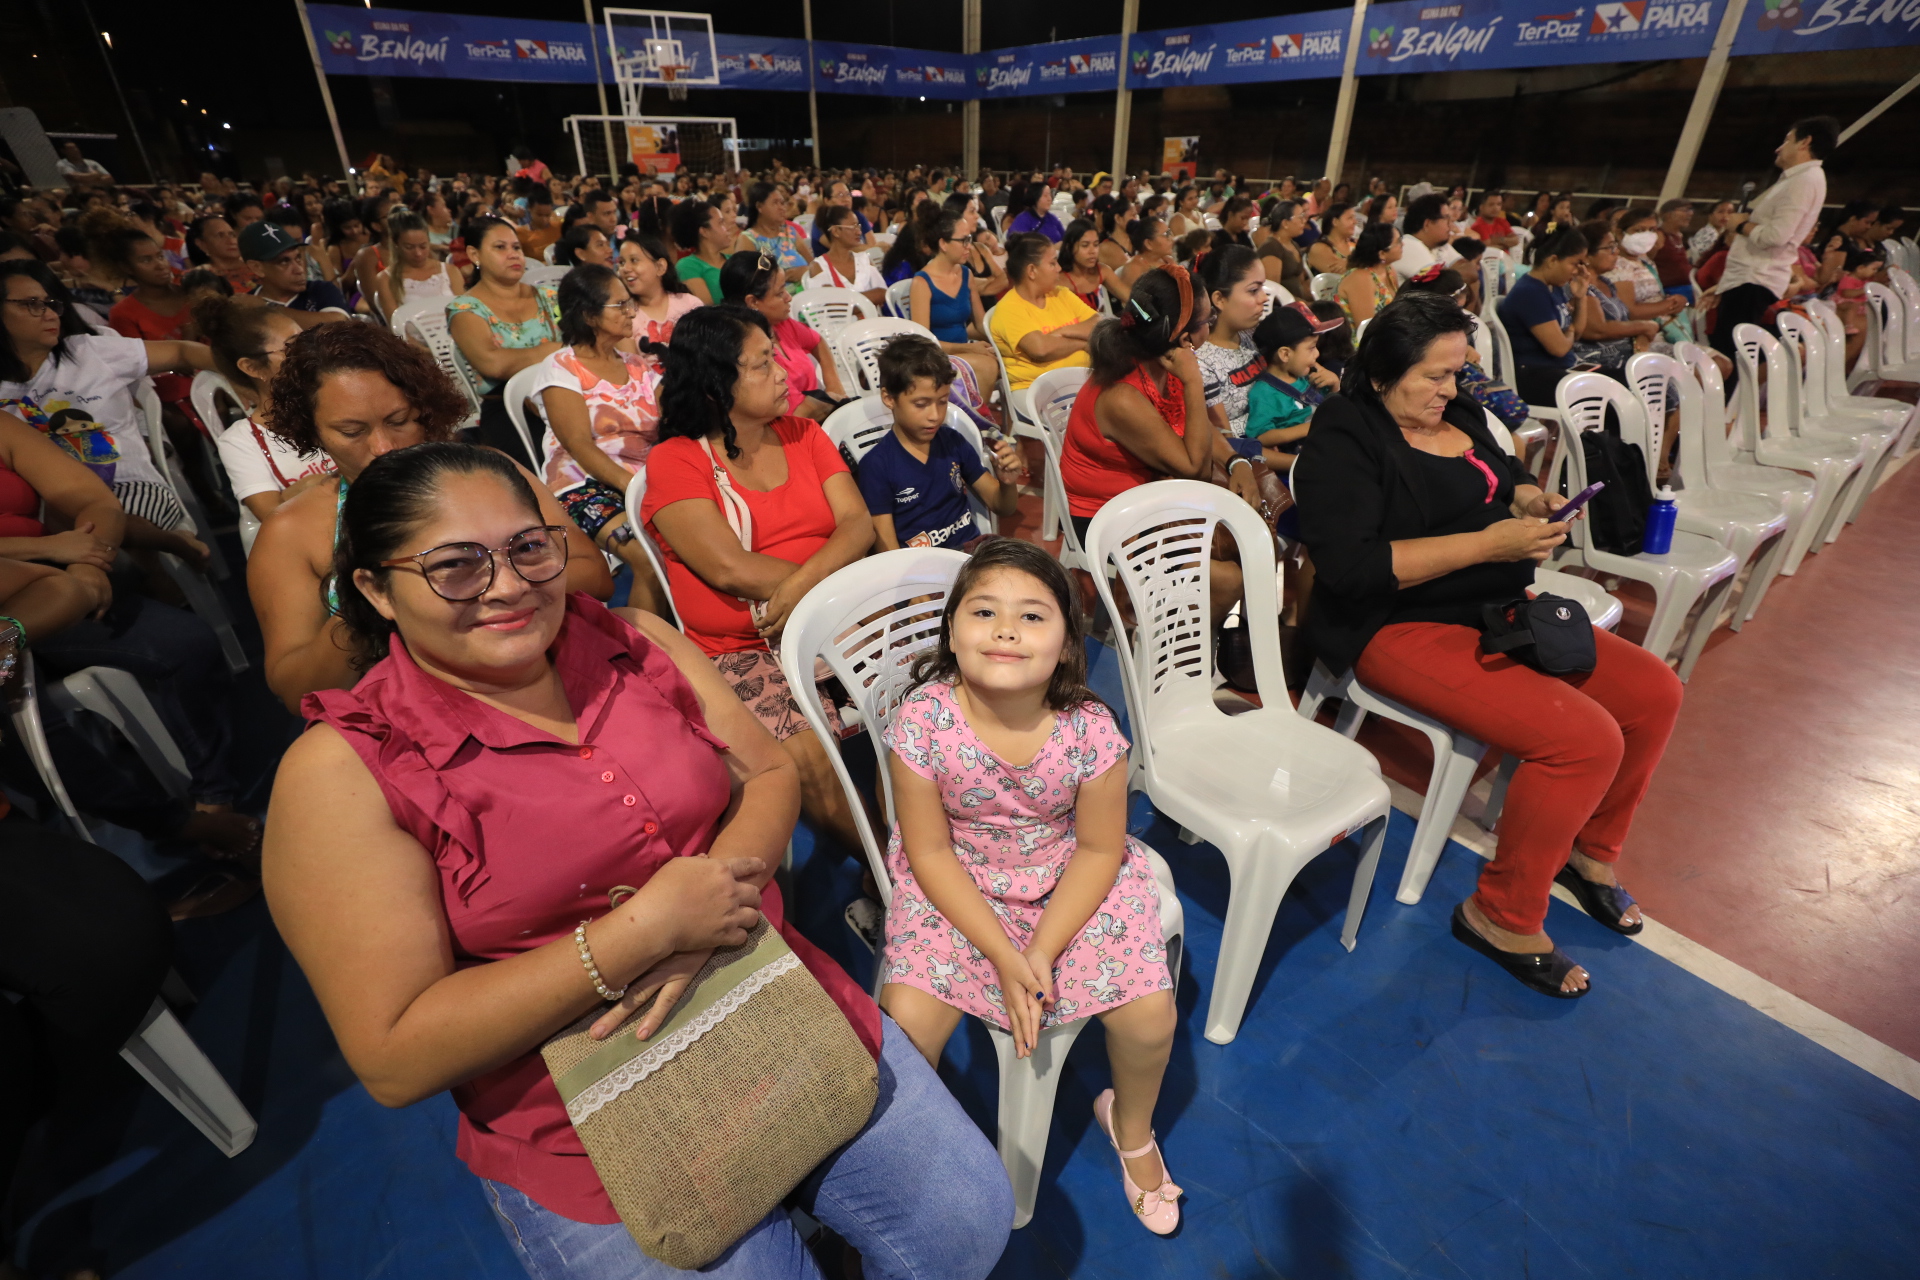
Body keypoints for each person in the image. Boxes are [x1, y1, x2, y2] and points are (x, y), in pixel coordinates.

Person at [267, 441, 1012, 1280]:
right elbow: (394, 1053)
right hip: (589, 1120)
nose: (508, 586)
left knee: (965, 1224)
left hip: (768, 997)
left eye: (527, 548)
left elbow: (767, 771)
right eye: (455, 567)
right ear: (375, 589)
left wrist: (707, 914)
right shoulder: (343, 773)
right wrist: (639, 936)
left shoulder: (633, 640)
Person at [1293, 290, 1684, 998]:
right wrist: (1486, 543)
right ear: (1383, 373)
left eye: (1458, 372)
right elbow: (1353, 568)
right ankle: (1499, 914)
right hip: (1396, 623)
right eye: (1436, 376)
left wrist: (1528, 501)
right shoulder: (1345, 435)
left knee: (1655, 693)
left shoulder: (1459, 413)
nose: (1453, 389)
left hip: (1492, 604)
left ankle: (1590, 855)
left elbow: (1502, 482)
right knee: (1582, 740)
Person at [877, 537, 1182, 1234]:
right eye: (984, 611)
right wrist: (1004, 955)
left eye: (1033, 616)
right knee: (906, 1026)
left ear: (1069, 645)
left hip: (1068, 875)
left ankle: (1131, 1128)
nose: (1007, 628)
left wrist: (1039, 950)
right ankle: (909, 1156)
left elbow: (1102, 847)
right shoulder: (922, 722)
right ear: (952, 633)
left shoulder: (1091, 731)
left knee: (1148, 1015)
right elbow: (927, 851)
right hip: (955, 880)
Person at [249, 322, 608, 712]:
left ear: (424, 408)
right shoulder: (292, 531)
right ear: (313, 431)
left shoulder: (488, 476)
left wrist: (504, 580)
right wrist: (366, 603)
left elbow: (593, 572)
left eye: (399, 421)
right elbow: (296, 690)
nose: (383, 447)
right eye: (351, 431)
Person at [639, 304, 875, 854]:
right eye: (763, 363)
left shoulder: (804, 434)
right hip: (742, 646)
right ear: (717, 384)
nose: (783, 373)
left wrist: (800, 593)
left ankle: (915, 847)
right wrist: (818, 587)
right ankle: (884, 867)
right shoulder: (677, 461)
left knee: (915, 714)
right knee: (807, 763)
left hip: (831, 617)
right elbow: (729, 567)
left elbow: (857, 524)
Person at [0, 408, 253, 855]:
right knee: (20, 722)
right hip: (34, 577)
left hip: (49, 586)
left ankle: (214, 796)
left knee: (186, 643)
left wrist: (85, 564)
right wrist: (47, 547)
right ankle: (169, 824)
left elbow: (91, 498)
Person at [1057, 265, 1260, 620]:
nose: (1209, 327)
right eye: (1204, 320)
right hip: (1105, 516)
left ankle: (1189, 628)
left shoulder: (1160, 360)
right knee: (1228, 579)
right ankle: (1177, 651)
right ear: (1182, 336)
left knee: (1250, 541)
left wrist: (1234, 462)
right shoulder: (1122, 396)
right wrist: (1194, 383)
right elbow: (1194, 467)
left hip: (1150, 492)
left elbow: (1190, 426)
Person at [0, 259, 215, 535]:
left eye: (52, 304)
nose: (50, 314)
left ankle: (170, 553)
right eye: (32, 304)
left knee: (96, 530)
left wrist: (248, 374)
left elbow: (183, 351)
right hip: (49, 504)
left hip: (126, 483)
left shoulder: (87, 351)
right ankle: (173, 550)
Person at [529, 264, 667, 614]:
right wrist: (635, 487)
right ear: (589, 315)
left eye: (630, 303)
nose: (631, 313)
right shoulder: (561, 368)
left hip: (645, 480)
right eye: (620, 305)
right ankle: (642, 658)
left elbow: (674, 420)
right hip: (583, 485)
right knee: (650, 559)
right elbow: (580, 446)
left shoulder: (638, 365)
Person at [857, 335, 1022, 551]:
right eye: (921, 404)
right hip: (919, 571)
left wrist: (1007, 483)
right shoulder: (877, 466)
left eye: (943, 402)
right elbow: (888, 550)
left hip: (970, 554)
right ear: (889, 399)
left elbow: (1002, 506)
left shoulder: (953, 441)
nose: (935, 415)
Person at [1711, 116, 1836, 369]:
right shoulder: (1799, 178)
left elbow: (1776, 236)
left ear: (1805, 142)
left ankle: (1722, 407)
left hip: (1754, 277)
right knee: (1730, 350)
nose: (1779, 148)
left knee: (1729, 355)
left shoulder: (1805, 180)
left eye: (1787, 140)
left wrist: (1741, 225)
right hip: (1750, 276)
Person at [198, 296, 336, 521]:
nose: (309, 354)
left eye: (306, 342)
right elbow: (271, 515)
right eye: (291, 347)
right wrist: (329, 481)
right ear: (251, 367)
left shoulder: (338, 399)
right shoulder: (240, 442)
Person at [448, 216, 563, 468]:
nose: (513, 255)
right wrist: (554, 350)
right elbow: (493, 363)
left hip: (564, 393)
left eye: (516, 247)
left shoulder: (550, 298)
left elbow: (582, 342)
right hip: (507, 408)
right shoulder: (465, 309)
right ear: (474, 254)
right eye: (500, 247)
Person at [717, 254, 848, 420]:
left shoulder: (781, 323)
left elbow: (817, 342)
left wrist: (834, 386)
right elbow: (796, 414)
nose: (788, 297)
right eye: (780, 293)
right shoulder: (747, 348)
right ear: (753, 302)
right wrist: (829, 401)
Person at [988, 234, 1097, 393]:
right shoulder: (1009, 309)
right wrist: (1083, 343)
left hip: (1084, 382)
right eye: (1052, 263)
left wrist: (1061, 333)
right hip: (1038, 391)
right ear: (1032, 271)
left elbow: (1098, 323)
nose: (1059, 268)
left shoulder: (1061, 294)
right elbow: (1041, 349)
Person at [909, 212, 1001, 399]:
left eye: (970, 239)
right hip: (935, 356)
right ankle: (977, 420)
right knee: (988, 365)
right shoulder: (922, 282)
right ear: (943, 244)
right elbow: (924, 342)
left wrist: (1005, 340)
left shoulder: (966, 275)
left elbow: (981, 324)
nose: (969, 246)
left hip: (963, 351)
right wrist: (969, 348)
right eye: (964, 240)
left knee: (1009, 359)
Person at [1497, 225, 1589, 406]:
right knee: (1611, 397)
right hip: (1534, 376)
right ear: (1553, 260)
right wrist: (1569, 333)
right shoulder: (1530, 292)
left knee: (1621, 382)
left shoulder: (1554, 287)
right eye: (1574, 263)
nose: (1577, 271)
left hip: (1558, 370)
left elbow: (1577, 332)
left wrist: (1581, 297)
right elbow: (1560, 348)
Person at [1244, 301, 1342, 471]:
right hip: (1305, 462)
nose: (1317, 354)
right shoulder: (1264, 393)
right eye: (1311, 348)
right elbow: (1261, 437)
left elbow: (1333, 409)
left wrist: (1335, 385)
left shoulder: (1305, 376)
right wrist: (1309, 427)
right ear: (1285, 354)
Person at [1194, 245, 1270, 438]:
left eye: (1263, 287)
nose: (1264, 298)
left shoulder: (1255, 335)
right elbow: (1221, 439)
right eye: (1253, 290)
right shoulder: (1201, 363)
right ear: (1219, 299)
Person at [1572, 223, 1662, 377]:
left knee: (1672, 376)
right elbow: (1596, 330)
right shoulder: (1579, 285)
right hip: (1596, 362)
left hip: (1626, 355)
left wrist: (1642, 335)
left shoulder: (1606, 283)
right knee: (1663, 383)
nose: (1617, 252)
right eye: (1610, 248)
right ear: (1586, 255)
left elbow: (1624, 321)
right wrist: (1645, 325)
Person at [243, 221, 351, 328]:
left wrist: (266, 308)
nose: (299, 269)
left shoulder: (321, 289)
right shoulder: (243, 306)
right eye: (284, 261)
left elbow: (339, 324)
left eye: (298, 258)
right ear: (257, 268)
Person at [616, 233, 700, 355]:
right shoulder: (623, 314)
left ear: (660, 267)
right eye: (622, 262)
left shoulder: (690, 304)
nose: (625, 269)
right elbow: (631, 367)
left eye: (634, 260)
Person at [375, 209, 463, 319]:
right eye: (409, 247)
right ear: (396, 244)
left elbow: (463, 314)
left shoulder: (450, 271)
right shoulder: (386, 279)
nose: (418, 253)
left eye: (423, 246)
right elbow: (395, 326)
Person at [805, 204, 885, 307]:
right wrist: (868, 301)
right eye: (853, 227)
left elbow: (882, 293)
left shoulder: (864, 259)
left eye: (858, 226)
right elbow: (832, 307)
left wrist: (846, 302)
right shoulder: (819, 266)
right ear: (836, 231)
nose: (859, 232)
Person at [732, 183, 809, 288]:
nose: (782, 208)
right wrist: (785, 276)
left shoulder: (790, 232)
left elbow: (813, 265)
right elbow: (745, 280)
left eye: (782, 203)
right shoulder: (748, 239)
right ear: (759, 207)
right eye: (775, 203)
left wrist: (805, 271)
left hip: (806, 294)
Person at [1337, 223, 1402, 327]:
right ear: (1382, 254)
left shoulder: (1389, 270)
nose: (1402, 244)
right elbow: (1365, 327)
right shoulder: (1361, 278)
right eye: (1398, 242)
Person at [670, 199, 729, 306]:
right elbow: (707, 309)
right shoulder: (687, 266)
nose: (727, 227)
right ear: (704, 231)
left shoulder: (733, 259)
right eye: (721, 223)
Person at [187, 215, 257, 295]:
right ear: (202, 244)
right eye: (220, 235)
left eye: (232, 235)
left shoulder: (258, 267)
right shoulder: (197, 278)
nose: (231, 241)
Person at [1396, 193, 1452, 282]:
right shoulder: (1409, 245)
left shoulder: (1435, 246)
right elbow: (1442, 286)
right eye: (1446, 218)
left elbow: (1469, 271)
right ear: (1427, 224)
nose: (1450, 224)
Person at [1652, 199, 1696, 298]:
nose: (1691, 213)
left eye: (1691, 210)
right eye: (1685, 210)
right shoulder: (1658, 235)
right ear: (1668, 214)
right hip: (1669, 290)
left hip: (1686, 287)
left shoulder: (1678, 236)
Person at [1306, 203, 1357, 276]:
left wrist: (1349, 263)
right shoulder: (1319, 248)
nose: (1355, 222)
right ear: (1335, 222)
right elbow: (1339, 274)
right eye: (1350, 218)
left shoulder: (1355, 243)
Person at [516, 183, 560, 263]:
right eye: (539, 215)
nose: (544, 219)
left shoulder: (559, 227)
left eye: (547, 215)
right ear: (529, 208)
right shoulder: (520, 233)